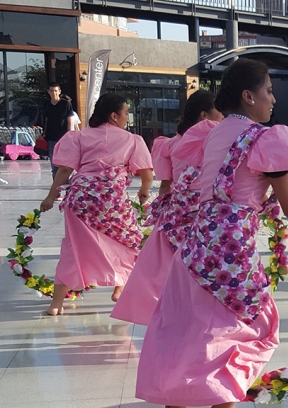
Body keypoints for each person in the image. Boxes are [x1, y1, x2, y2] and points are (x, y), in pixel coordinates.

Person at [135, 58, 288, 408]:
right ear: (249, 96)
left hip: (195, 247)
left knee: (183, 333)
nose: (273, 99)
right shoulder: (266, 139)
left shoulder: (214, 134)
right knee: (263, 330)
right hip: (231, 253)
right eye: (267, 91)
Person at [111, 91, 223, 325]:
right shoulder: (216, 141)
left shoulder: (170, 144)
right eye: (218, 111)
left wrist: (164, 212)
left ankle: (174, 308)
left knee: (168, 265)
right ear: (204, 115)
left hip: (177, 211)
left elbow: (165, 185)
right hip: (205, 210)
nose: (222, 116)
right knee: (202, 264)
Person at [39, 93, 154, 316]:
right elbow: (147, 174)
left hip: (81, 201)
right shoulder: (132, 140)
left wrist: (50, 197)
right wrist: (143, 192)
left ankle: (56, 305)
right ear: (114, 115)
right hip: (112, 201)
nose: (126, 117)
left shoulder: (79, 137)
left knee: (73, 249)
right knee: (129, 243)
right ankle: (119, 289)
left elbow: (65, 170)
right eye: (126, 113)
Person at [39, 82, 75, 178]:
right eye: (51, 90)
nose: (54, 93)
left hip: (64, 137)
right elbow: (44, 119)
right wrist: (43, 133)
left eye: (55, 91)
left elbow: (70, 120)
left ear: (59, 91)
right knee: (54, 164)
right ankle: (57, 188)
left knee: (65, 164)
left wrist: (70, 135)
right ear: (48, 92)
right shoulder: (46, 104)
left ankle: (67, 187)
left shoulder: (66, 104)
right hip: (51, 137)